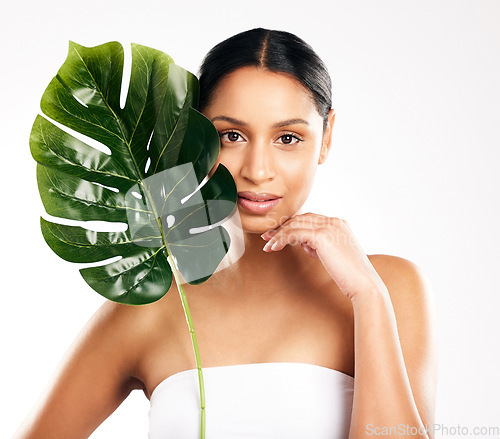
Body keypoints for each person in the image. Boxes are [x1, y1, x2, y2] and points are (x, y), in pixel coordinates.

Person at [14, 27, 438, 439]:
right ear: (196, 136)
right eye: (231, 136)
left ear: (326, 138)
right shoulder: (153, 301)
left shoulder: (388, 288)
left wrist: (367, 295)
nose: (257, 170)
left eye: (287, 137)